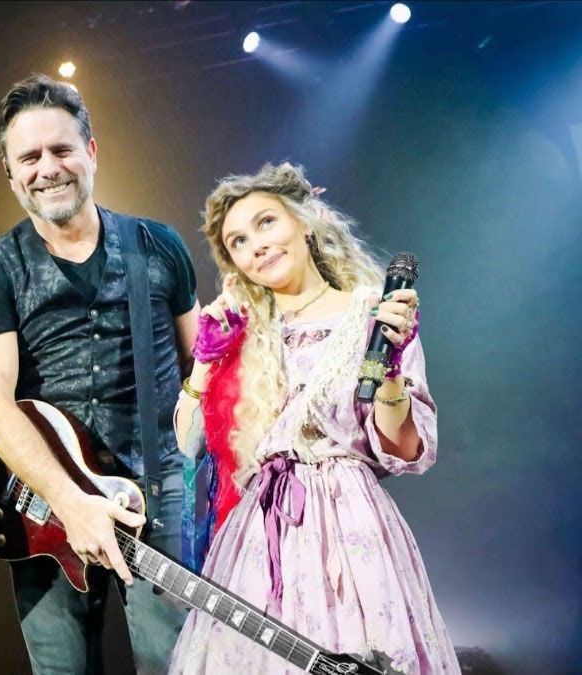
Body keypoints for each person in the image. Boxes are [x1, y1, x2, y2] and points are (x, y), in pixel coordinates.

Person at [169, 163, 459, 674]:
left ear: (304, 223)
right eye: (238, 242)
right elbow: (188, 444)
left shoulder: (372, 314)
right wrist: (205, 362)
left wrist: (390, 371)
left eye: (266, 223)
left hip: (349, 527)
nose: (256, 246)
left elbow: (403, 448)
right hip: (260, 533)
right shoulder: (241, 330)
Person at [0, 74, 201, 674]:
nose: (48, 168)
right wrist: (71, 502)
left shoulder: (158, 246)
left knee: (177, 665)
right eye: (29, 158)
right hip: (43, 505)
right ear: (10, 174)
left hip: (160, 491)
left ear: (91, 151)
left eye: (61, 149)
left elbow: (202, 370)